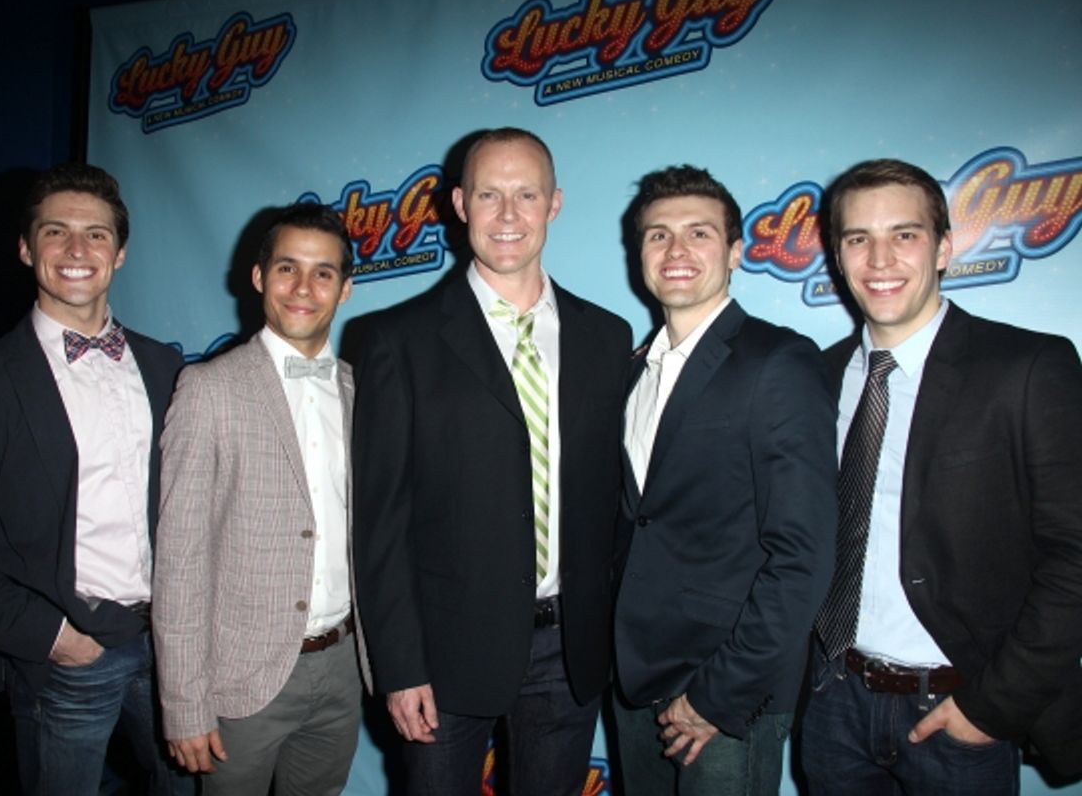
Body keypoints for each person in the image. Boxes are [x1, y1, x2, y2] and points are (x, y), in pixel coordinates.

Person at [0, 162, 190, 795]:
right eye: (56, 232)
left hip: (171, 646)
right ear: (27, 249)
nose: (78, 249)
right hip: (68, 657)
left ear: (120, 253)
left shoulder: (165, 366)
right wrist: (52, 637)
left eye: (96, 234)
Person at [351, 127, 631, 795]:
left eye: (526, 194)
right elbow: (380, 523)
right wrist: (400, 666)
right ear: (459, 204)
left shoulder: (606, 336)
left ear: (554, 203)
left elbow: (614, 504)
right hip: (443, 657)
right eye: (488, 195)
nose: (508, 214)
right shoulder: (395, 340)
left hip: (571, 651)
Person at [801, 158, 1082, 793]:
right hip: (832, 703)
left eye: (904, 234)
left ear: (945, 247)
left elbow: (1074, 556)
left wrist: (992, 707)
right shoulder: (815, 377)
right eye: (858, 238)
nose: (880, 259)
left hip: (959, 713)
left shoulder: (1027, 367)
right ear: (838, 257)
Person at [611, 164, 837, 795]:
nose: (676, 250)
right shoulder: (631, 372)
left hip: (726, 691)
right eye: (658, 235)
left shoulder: (778, 361)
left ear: (735, 252)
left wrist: (721, 693)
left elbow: (803, 553)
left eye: (699, 233)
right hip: (633, 678)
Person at [152, 203, 365, 795]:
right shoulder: (208, 389)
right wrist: (184, 703)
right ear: (258, 276)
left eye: (323, 273)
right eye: (287, 268)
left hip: (344, 667)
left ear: (345, 289)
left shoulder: (360, 389)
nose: (303, 288)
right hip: (240, 678)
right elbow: (179, 560)